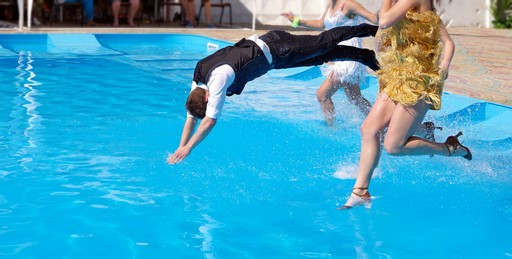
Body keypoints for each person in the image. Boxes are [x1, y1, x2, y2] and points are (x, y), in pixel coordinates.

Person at [167, 24, 380, 164]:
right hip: (276, 58)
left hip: (278, 46)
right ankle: (364, 56)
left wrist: (190, 149)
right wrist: (181, 146)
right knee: (319, 57)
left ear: (207, 97)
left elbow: (209, 122)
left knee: (323, 42)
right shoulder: (197, 79)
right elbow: (192, 118)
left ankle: (371, 29)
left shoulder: (219, 78)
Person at [339, 0, 470, 210]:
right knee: (369, 129)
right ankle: (360, 191)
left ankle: (450, 148)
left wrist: (444, 64)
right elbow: (381, 28)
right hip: (397, 77)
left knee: (393, 146)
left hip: (418, 80)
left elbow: (384, 21)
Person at [282, 0, 378, 123]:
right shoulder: (330, 4)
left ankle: (331, 128)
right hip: (340, 55)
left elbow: (374, 19)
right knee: (355, 99)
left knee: (322, 95)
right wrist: (295, 21)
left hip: (350, 57)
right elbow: (321, 24)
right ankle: (380, 124)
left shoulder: (349, 5)